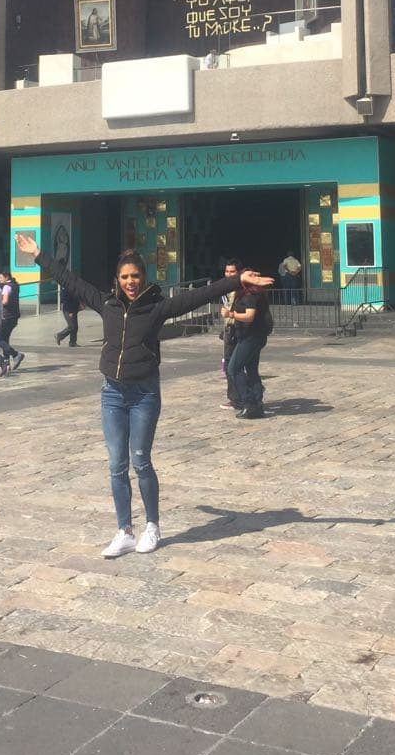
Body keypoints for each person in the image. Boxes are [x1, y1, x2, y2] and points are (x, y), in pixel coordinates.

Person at [15, 231, 272, 559]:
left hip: (144, 395)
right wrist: (38, 254)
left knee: (140, 460)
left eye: (135, 276)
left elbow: (199, 296)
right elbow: (70, 281)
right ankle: (124, 530)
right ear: (117, 279)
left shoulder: (156, 308)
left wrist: (237, 281)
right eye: (124, 277)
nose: (130, 282)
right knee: (116, 464)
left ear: (144, 277)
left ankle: (152, 525)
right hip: (112, 394)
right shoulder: (106, 304)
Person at [227, 273, 273, 419]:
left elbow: (249, 315)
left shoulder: (250, 296)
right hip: (251, 335)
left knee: (234, 368)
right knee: (252, 369)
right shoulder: (250, 295)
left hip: (250, 337)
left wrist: (231, 315)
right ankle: (257, 403)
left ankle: (249, 402)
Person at [219, 259, 242, 409]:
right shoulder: (225, 289)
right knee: (229, 364)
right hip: (229, 328)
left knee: (232, 365)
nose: (229, 274)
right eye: (227, 271)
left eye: (232, 271)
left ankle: (237, 398)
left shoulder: (241, 290)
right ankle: (239, 396)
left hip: (237, 328)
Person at [0, 269, 25, 370]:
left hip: (6, 317)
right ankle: (6, 363)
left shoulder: (6, 287)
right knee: (5, 340)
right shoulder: (15, 285)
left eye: (0, 277)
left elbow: (5, 301)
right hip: (14, 317)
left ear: (6, 277)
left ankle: (16, 354)